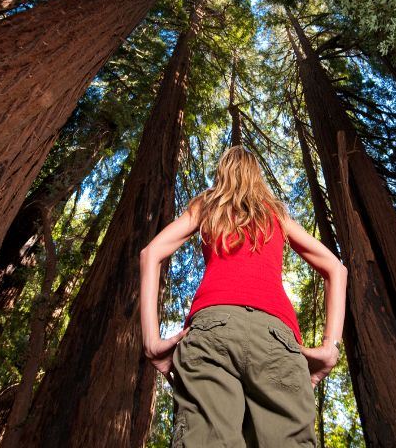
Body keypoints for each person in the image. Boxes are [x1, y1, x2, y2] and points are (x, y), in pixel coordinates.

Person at [140, 146, 348, 447]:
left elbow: (151, 253)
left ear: (222, 172)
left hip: (211, 330)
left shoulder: (207, 204)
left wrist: (151, 340)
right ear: (257, 175)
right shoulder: (275, 213)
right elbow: (336, 269)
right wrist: (331, 347)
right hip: (276, 336)